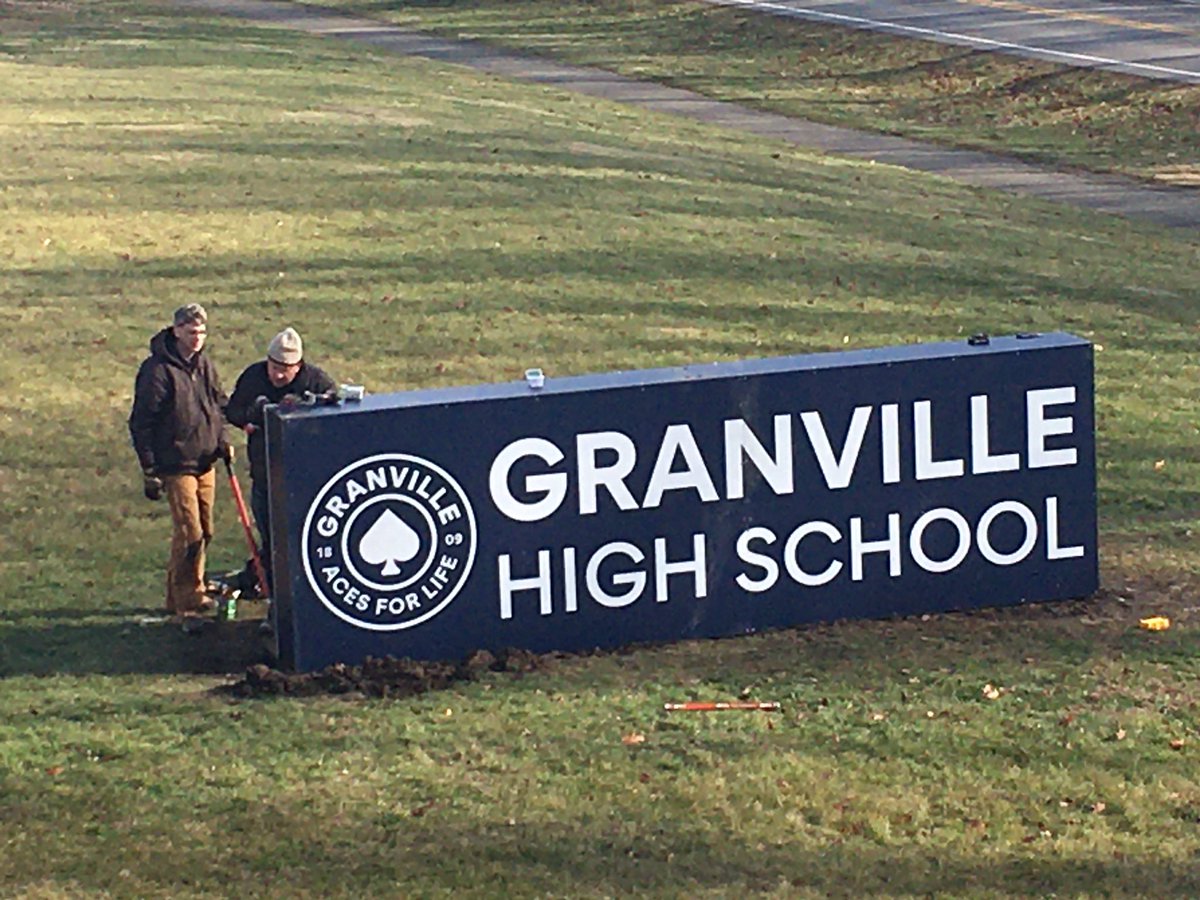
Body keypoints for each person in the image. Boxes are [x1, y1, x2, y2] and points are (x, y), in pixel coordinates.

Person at [129, 303, 231, 623]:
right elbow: (141, 422)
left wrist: (222, 440)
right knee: (190, 531)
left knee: (206, 531)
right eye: (191, 331)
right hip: (175, 463)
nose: (197, 337)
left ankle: (185, 591)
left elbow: (217, 405)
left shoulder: (205, 366)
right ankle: (188, 601)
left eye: (201, 331)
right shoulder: (157, 371)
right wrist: (150, 469)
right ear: (176, 331)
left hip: (205, 461)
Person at [224, 327, 335, 596]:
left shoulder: (315, 381)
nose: (278, 375)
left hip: (304, 479)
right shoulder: (254, 377)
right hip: (264, 475)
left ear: (299, 366)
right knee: (271, 539)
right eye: (274, 367)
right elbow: (232, 410)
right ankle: (272, 595)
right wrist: (251, 416)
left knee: (298, 541)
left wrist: (302, 409)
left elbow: (335, 412)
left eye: (286, 369)